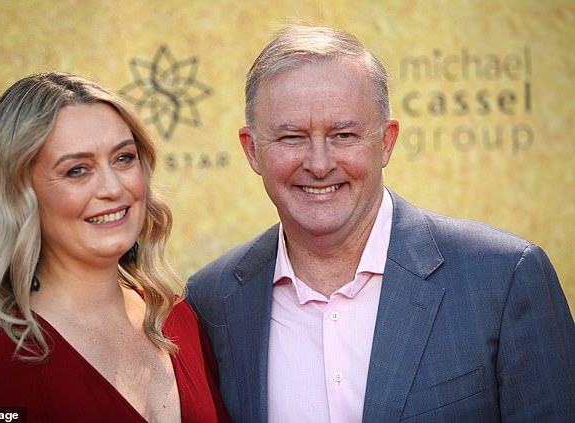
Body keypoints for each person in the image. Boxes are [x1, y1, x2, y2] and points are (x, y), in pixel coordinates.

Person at [186, 25, 575, 423]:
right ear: (252, 150)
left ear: (386, 141)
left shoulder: (504, 278)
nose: (319, 164)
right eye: (291, 138)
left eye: (343, 134)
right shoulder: (210, 301)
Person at [0, 72, 230, 423]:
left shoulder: (176, 316)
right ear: (20, 195)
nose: (112, 187)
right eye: (77, 170)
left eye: (124, 158)